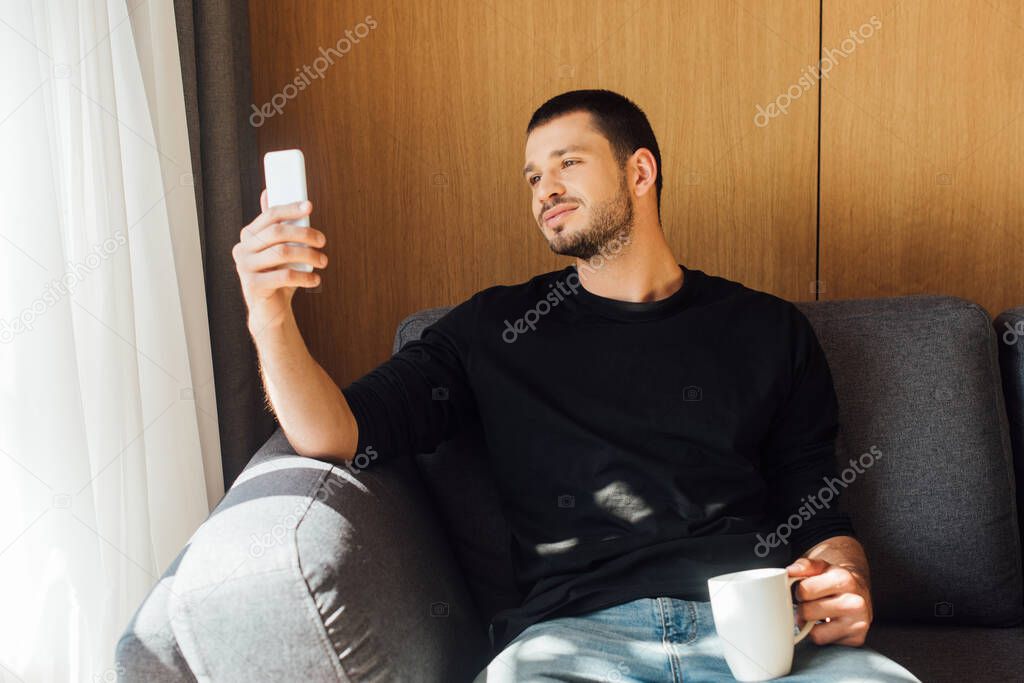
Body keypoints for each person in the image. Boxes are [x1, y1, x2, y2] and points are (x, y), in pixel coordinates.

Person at [232, 89, 920, 682]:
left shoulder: (768, 328)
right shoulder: (489, 330)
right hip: (572, 642)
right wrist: (270, 316)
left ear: (640, 170)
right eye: (532, 177)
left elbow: (819, 508)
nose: (545, 189)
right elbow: (332, 431)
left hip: (753, 634)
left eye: (567, 163)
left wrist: (845, 576)